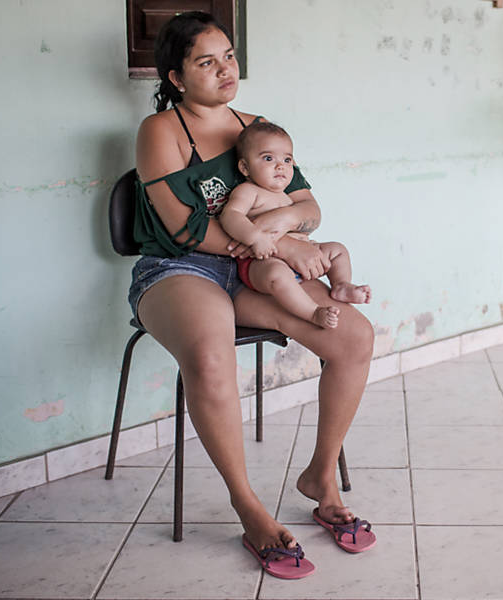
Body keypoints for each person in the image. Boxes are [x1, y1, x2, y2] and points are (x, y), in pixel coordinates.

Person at [129, 11, 375, 579]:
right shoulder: (160, 132)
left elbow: (311, 209)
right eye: (205, 62)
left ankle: (321, 478)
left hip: (253, 268)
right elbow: (184, 230)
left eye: (229, 57)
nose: (223, 70)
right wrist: (280, 245)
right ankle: (249, 506)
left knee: (354, 335)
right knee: (211, 357)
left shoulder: (256, 127)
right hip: (178, 267)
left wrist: (280, 234)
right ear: (175, 77)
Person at [219, 121, 371, 330]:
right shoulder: (248, 191)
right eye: (268, 158)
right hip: (263, 260)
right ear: (245, 167)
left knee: (338, 250)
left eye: (287, 159)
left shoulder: (286, 195)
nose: (280, 165)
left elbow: (309, 217)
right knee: (277, 275)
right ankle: (312, 313)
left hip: (303, 253)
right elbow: (230, 215)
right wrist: (255, 237)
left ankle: (341, 286)